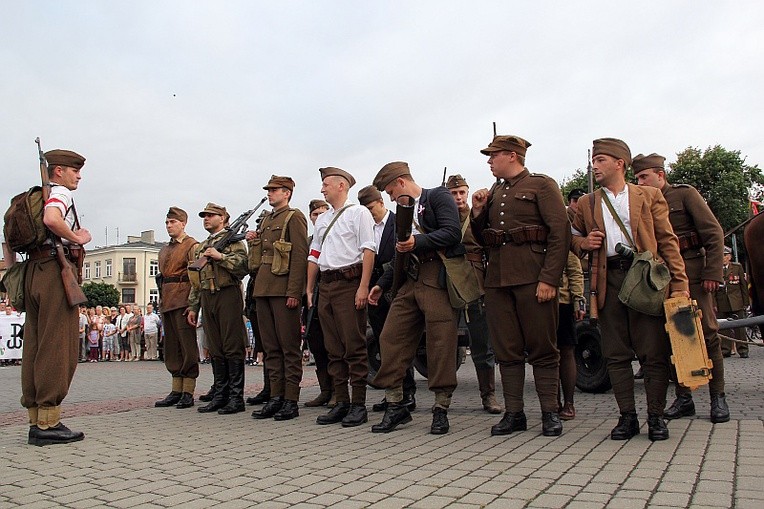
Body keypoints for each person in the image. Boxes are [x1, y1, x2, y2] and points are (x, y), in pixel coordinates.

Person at [570, 138, 689, 441]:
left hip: (646, 278)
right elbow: (569, 236)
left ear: (619, 163)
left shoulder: (648, 196)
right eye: (593, 160)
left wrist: (679, 287)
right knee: (616, 353)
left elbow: (667, 242)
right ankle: (627, 417)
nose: (594, 165)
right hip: (607, 280)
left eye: (600, 160)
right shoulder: (586, 202)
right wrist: (584, 243)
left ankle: (656, 416)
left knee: (653, 351)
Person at [471, 136, 570, 437]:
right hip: (498, 281)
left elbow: (560, 234)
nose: (489, 161)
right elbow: (480, 237)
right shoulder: (494, 191)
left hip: (532, 277)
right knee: (507, 350)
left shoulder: (541, 185)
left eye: (494, 155)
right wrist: (477, 212)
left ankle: (550, 413)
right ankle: (515, 413)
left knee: (542, 348)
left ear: (513, 156)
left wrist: (549, 279)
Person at [633, 153, 729, 423]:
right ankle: (684, 398)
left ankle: (717, 397)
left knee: (707, 333)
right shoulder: (642, 202)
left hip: (695, 272)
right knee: (671, 338)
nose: (640, 182)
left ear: (660, 175)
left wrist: (713, 273)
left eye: (644, 177)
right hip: (661, 277)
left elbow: (713, 234)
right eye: (637, 178)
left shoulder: (685, 195)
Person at [368, 162, 462, 435]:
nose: (390, 198)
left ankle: (440, 408)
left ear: (400, 182)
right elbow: (400, 249)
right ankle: (396, 405)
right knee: (390, 337)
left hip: (437, 276)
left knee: (441, 343)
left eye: (390, 191)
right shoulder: (403, 211)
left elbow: (452, 232)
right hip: (411, 278)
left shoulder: (438, 196)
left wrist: (417, 243)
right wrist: (382, 283)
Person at [7, 148, 92, 445]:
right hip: (54, 270)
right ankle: (49, 422)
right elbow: (52, 219)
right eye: (74, 170)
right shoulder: (59, 193)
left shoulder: (28, 198)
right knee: (58, 344)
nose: (78, 176)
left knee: (35, 343)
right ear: (58, 171)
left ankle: (35, 417)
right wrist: (78, 237)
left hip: (32, 271)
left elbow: (9, 241)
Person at [306, 167, 376, 427]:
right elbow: (315, 255)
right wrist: (310, 289)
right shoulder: (322, 220)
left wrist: (363, 286)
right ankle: (341, 401)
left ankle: (358, 404)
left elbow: (368, 250)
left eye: (326, 184)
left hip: (349, 283)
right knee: (333, 348)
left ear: (341, 186)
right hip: (327, 286)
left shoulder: (359, 213)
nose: (322, 189)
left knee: (354, 347)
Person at [248, 176, 308, 421]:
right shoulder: (267, 220)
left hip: (283, 290)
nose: (270, 194)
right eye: (269, 190)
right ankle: (275, 397)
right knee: (271, 349)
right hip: (263, 288)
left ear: (287, 193)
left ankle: (291, 400)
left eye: (274, 190)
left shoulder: (294, 217)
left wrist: (294, 292)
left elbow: (299, 256)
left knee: (289, 348)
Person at [359, 185, 419, 414]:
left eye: (372, 207)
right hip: (374, 295)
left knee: (400, 344)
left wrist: (382, 283)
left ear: (382, 203)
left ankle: (408, 393)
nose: (369, 212)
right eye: (365, 208)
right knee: (383, 344)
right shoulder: (364, 226)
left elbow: (400, 255)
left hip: (395, 289)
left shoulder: (398, 222)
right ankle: (391, 392)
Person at [445, 174, 501, 414]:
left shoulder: (477, 215)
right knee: (443, 342)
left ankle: (488, 395)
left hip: (475, 281)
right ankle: (443, 397)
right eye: (453, 193)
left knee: (481, 342)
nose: (458, 197)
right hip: (447, 281)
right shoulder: (442, 217)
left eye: (461, 193)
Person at [187, 203, 249, 415]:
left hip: (227, 293)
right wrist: (193, 306)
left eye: (211, 215)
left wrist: (221, 257)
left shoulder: (233, 242)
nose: (206, 218)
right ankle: (220, 394)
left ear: (223, 218)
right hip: (207, 296)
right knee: (215, 347)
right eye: (204, 215)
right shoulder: (201, 246)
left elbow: (243, 267)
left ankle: (235, 397)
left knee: (232, 345)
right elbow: (196, 279)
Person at [154, 207, 200, 410]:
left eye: (173, 222)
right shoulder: (164, 249)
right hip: (167, 301)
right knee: (171, 346)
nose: (169, 226)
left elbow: (195, 277)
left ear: (183, 223)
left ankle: (188, 391)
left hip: (183, 299)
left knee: (186, 346)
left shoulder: (192, 245)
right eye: (167, 222)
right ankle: (176, 389)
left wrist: (193, 304)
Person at [301, 199, 336, 408]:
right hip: (312, 299)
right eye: (315, 214)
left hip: (332, 293)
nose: (319, 216)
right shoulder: (307, 241)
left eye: (324, 212)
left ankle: (338, 391)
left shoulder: (335, 236)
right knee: (316, 344)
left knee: (334, 345)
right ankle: (325, 390)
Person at [557, 252, 585, 420]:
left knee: (566, 350)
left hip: (562, 300)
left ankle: (569, 403)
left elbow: (574, 269)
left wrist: (578, 299)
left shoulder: (562, 230)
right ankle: (552, 402)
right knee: (546, 353)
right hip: (537, 300)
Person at [715, 246, 750, 358]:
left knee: (740, 327)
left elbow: (743, 286)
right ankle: (725, 350)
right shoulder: (715, 268)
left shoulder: (737, 267)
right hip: (721, 302)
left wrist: (746, 302)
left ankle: (743, 349)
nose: (723, 258)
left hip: (736, 301)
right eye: (721, 255)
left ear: (729, 257)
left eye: (725, 255)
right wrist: (714, 304)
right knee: (724, 327)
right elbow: (713, 290)